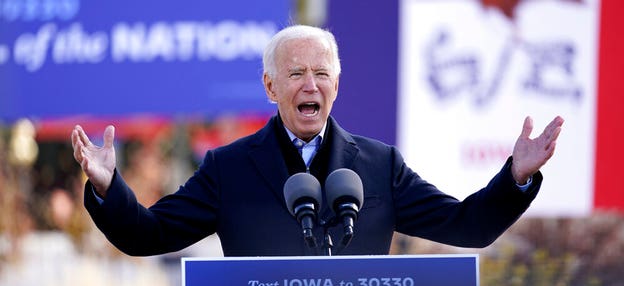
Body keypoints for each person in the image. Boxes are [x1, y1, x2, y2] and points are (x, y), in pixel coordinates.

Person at [71, 25, 563, 257]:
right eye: (297, 74)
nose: (311, 85)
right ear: (270, 86)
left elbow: (467, 226)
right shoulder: (229, 168)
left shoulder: (378, 163)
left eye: (322, 74)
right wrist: (108, 186)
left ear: (337, 85)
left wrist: (516, 177)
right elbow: (148, 235)